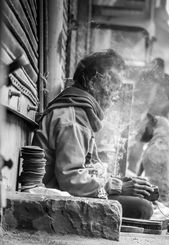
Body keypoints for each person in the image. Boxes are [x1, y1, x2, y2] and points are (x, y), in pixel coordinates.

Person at [32, 49, 154, 219]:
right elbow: (71, 179)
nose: (116, 95)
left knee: (139, 200)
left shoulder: (78, 112)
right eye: (113, 84)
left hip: (66, 190)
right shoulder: (73, 117)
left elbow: (84, 168)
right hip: (55, 196)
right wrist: (117, 187)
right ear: (93, 81)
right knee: (143, 208)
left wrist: (119, 182)